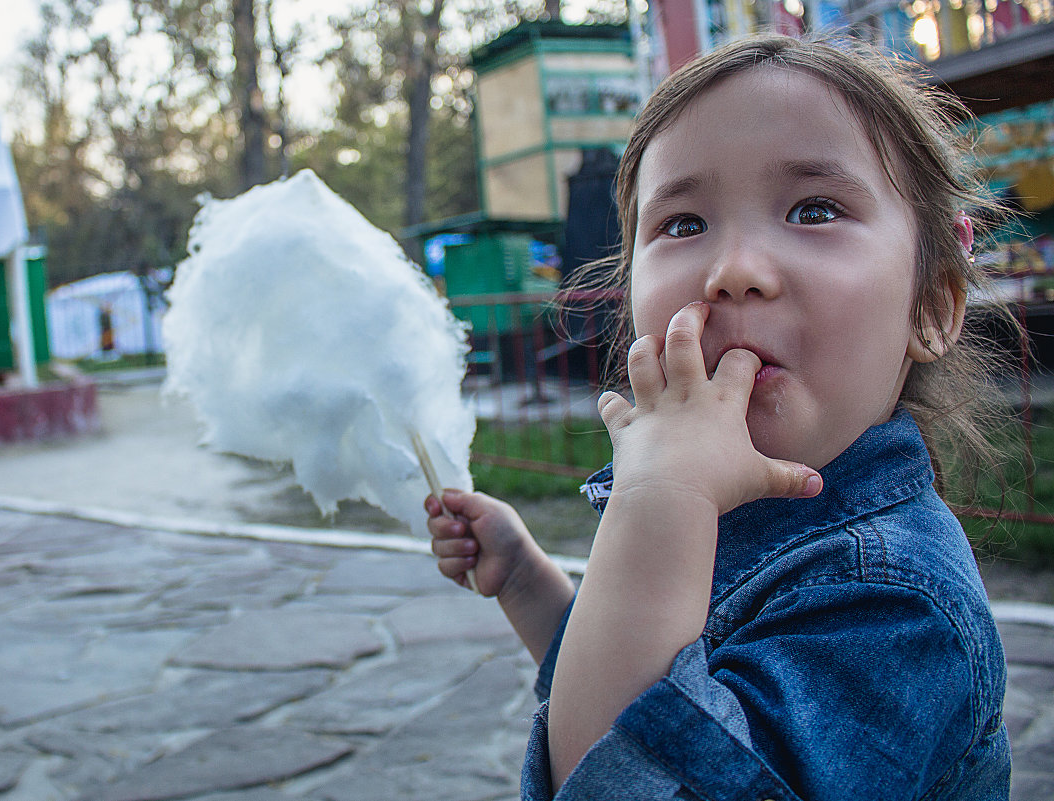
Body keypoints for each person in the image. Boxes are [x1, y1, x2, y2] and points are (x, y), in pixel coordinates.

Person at [426, 34, 1013, 800]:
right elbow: (655, 686)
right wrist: (531, 586)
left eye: (814, 209)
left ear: (932, 303)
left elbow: (632, 771)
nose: (732, 269)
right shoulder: (716, 508)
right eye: (683, 223)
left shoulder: (893, 606)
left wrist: (657, 506)